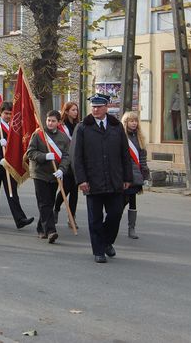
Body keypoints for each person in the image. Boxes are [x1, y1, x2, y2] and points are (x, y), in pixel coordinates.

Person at [73, 93, 133, 263]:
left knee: (115, 214)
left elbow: (124, 153)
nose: (95, 109)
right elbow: (77, 157)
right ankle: (98, 250)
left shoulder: (116, 126)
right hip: (92, 180)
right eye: (93, 106)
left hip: (115, 179)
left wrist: (127, 177)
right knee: (95, 218)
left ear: (106, 107)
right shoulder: (83, 127)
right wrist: (81, 180)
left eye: (99, 106)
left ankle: (107, 241)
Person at [0, 101, 34, 230]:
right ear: (0, 112)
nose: (8, 116)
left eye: (10, 114)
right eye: (6, 113)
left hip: (10, 167)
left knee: (12, 193)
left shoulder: (14, 127)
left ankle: (20, 219)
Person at [27, 110, 71, 244]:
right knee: (44, 202)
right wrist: (44, 156)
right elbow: (30, 152)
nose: (50, 123)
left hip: (54, 174)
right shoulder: (38, 135)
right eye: (48, 120)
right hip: (39, 173)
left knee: (49, 202)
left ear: (58, 123)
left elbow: (66, 156)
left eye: (53, 121)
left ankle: (41, 228)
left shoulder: (64, 138)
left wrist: (62, 170)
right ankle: (51, 230)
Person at [121, 111, 151, 239]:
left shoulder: (140, 138)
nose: (134, 123)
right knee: (122, 201)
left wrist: (145, 175)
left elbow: (142, 159)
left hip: (136, 175)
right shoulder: (121, 137)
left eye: (135, 121)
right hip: (125, 174)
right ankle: (112, 221)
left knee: (132, 200)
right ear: (125, 122)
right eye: (131, 121)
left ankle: (131, 228)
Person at [54, 101, 80, 227]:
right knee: (66, 188)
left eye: (76, 110)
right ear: (67, 111)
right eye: (73, 110)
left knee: (75, 190)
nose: (75, 112)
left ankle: (72, 217)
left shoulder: (78, 125)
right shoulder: (61, 126)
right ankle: (56, 208)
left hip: (76, 160)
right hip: (65, 160)